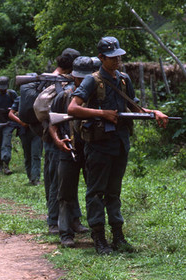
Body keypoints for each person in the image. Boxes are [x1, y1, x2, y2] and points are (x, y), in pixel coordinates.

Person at [68, 36, 169, 254]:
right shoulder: (91, 81)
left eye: (119, 57)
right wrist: (102, 113)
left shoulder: (124, 80)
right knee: (96, 192)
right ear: (101, 58)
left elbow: (134, 107)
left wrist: (154, 112)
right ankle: (99, 239)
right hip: (98, 145)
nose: (117, 61)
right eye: (112, 58)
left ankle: (118, 237)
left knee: (114, 192)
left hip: (120, 144)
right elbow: (72, 109)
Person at [48, 56, 94, 247]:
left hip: (92, 149)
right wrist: (58, 141)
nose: (82, 82)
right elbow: (52, 122)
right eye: (78, 78)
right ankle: (65, 233)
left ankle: (96, 231)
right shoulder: (63, 96)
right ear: (73, 77)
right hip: (69, 150)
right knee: (65, 193)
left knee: (94, 192)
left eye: (86, 78)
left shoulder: (98, 95)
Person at [42, 48, 80, 235]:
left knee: (68, 180)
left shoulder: (66, 80)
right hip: (55, 137)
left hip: (66, 135)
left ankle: (74, 219)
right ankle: (53, 222)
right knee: (56, 182)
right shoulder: (53, 81)